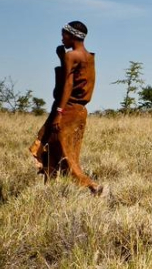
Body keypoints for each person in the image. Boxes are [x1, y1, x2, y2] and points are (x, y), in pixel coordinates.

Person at [29, 21, 103, 195]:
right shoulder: (87, 56)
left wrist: (59, 113)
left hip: (67, 109)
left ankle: (92, 186)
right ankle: (52, 190)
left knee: (64, 153)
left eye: (64, 35)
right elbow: (76, 78)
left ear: (73, 36)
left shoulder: (72, 56)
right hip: (79, 111)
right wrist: (61, 59)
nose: (62, 38)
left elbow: (68, 85)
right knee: (58, 149)